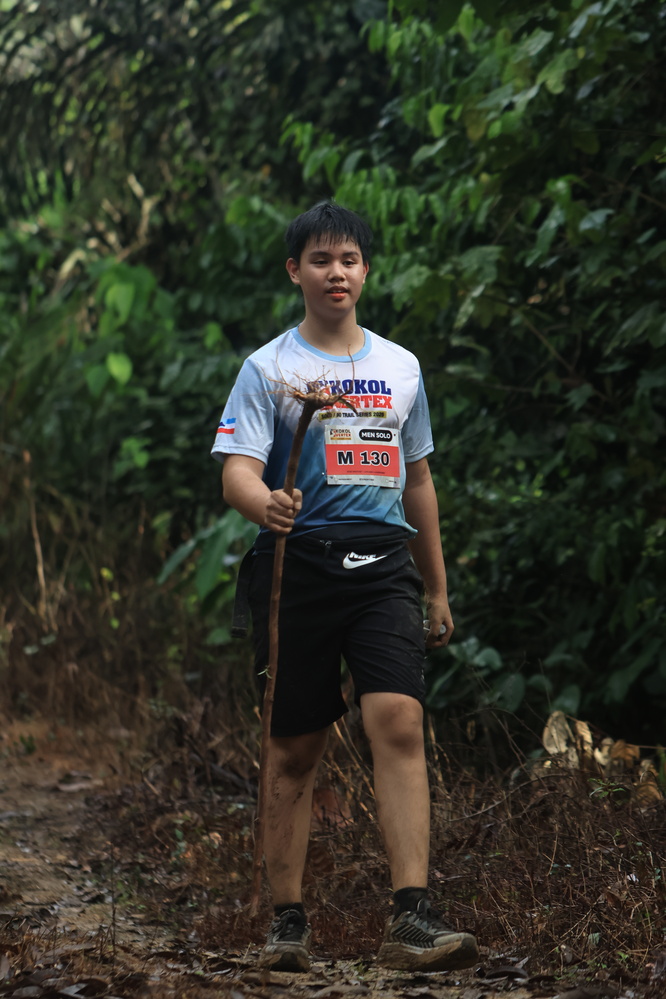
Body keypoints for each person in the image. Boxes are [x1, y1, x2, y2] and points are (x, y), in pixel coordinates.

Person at [211, 202, 479, 973]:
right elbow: (236, 470)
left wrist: (437, 588)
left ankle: (413, 916)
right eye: (322, 259)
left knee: (398, 718)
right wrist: (266, 503)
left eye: (350, 259)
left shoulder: (401, 367)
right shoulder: (269, 368)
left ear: (366, 270)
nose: (337, 272)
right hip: (298, 567)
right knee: (295, 745)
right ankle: (286, 922)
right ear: (294, 271)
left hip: (384, 565)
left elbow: (418, 479)